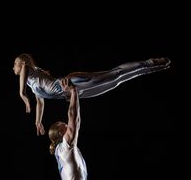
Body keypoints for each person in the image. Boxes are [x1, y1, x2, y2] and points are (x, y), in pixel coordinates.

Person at [13, 53, 171, 135]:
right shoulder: (32, 84)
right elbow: (40, 103)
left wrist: (22, 95)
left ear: (22, 64)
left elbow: (25, 70)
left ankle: (148, 63)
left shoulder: (28, 71)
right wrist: (37, 121)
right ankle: (150, 69)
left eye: (15, 64)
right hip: (71, 94)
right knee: (115, 83)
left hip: (72, 82)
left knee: (114, 74)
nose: (13, 67)